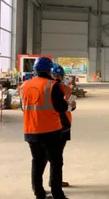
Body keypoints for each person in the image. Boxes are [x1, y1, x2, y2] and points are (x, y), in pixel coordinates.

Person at [20, 57, 70, 199]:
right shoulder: (51, 85)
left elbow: (24, 107)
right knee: (55, 162)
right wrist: (67, 105)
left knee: (37, 161)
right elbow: (60, 107)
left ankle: (39, 193)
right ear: (49, 70)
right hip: (50, 130)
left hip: (30, 129)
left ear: (35, 69)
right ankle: (57, 194)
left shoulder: (25, 85)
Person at [51, 64, 76, 188]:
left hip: (54, 123)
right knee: (57, 156)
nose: (57, 78)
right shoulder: (64, 88)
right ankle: (55, 182)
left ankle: (50, 182)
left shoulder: (44, 88)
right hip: (62, 123)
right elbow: (71, 106)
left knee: (46, 157)